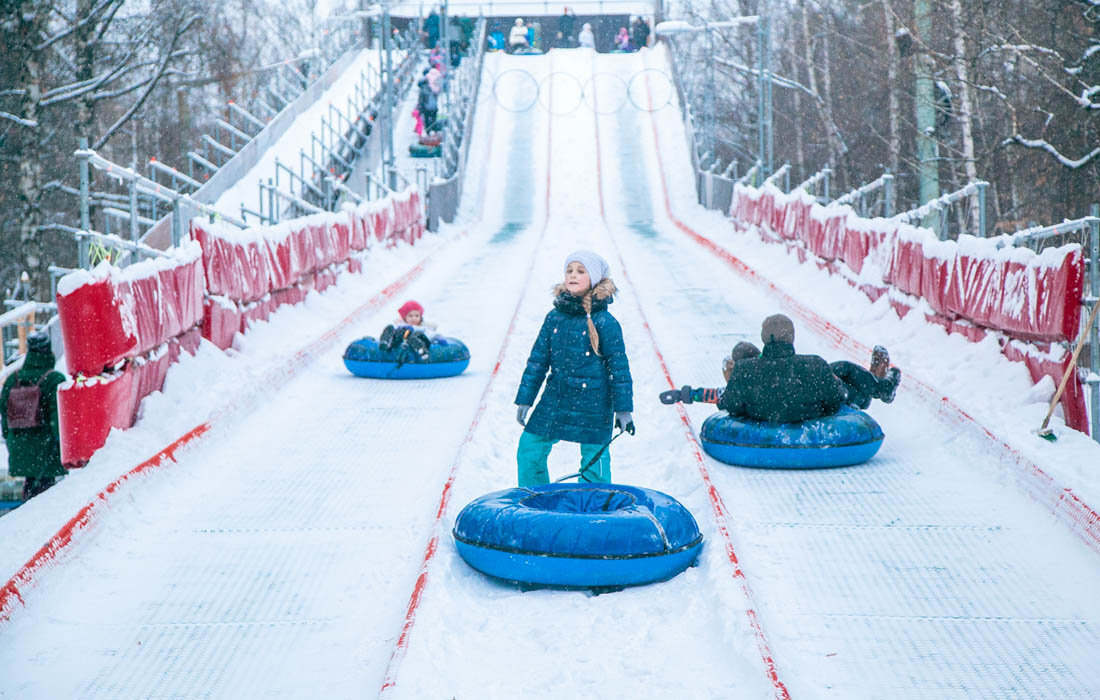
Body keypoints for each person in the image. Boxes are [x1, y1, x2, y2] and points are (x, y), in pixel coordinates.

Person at [515, 251, 634, 486]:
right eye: (569, 270)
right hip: (557, 396)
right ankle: (534, 497)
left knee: (594, 460)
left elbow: (619, 369)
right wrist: (525, 399)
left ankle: (593, 505)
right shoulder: (554, 318)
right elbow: (538, 361)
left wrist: (623, 409)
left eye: (580, 271)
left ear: (595, 278)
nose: (573, 275)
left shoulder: (605, 322)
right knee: (529, 447)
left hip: (594, 400)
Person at [714, 314, 900, 423]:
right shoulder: (813, 365)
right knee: (844, 377)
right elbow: (834, 404)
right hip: (806, 403)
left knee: (839, 371)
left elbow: (730, 405)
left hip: (766, 399)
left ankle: (876, 383)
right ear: (791, 338)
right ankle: (880, 386)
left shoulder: (745, 370)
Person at [1, 332, 66, 500]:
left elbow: (5, 420)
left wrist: (12, 441)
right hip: (47, 450)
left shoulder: (12, 380)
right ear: (48, 352)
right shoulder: (55, 380)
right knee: (48, 497)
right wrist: (63, 447)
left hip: (19, 448)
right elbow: (58, 421)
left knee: (31, 493)